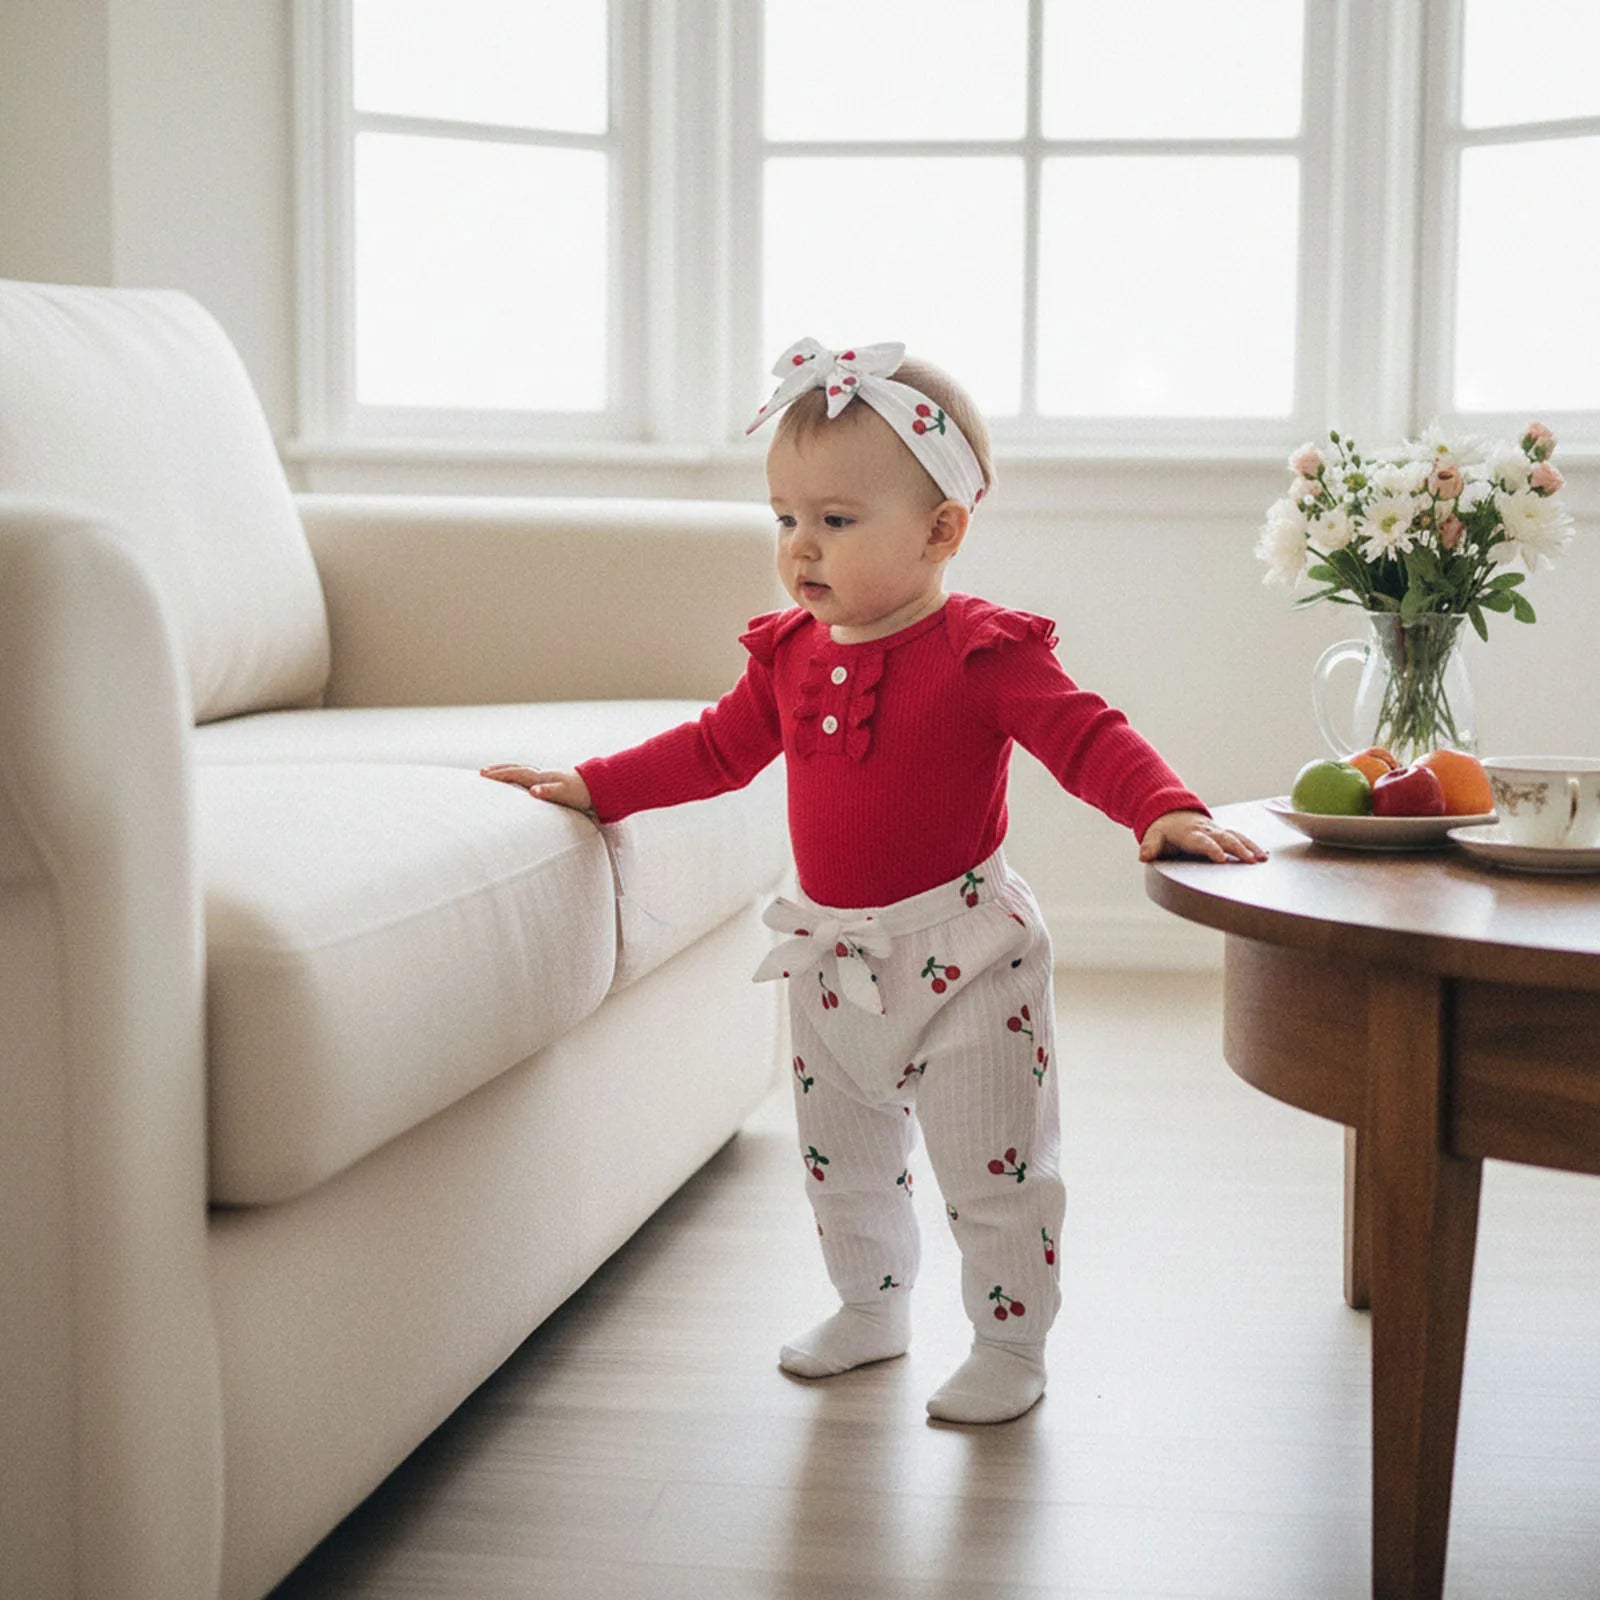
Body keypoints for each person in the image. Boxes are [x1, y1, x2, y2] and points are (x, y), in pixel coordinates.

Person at [481, 339, 1265, 1424]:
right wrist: (592, 785)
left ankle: (1009, 1341)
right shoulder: (788, 656)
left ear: (942, 529)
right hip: (830, 954)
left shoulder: (981, 653)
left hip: (967, 956)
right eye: (785, 518)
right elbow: (713, 748)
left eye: (835, 521)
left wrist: (1164, 806)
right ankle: (870, 1306)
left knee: (994, 1169)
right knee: (841, 1160)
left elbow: (1084, 734)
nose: (801, 547)